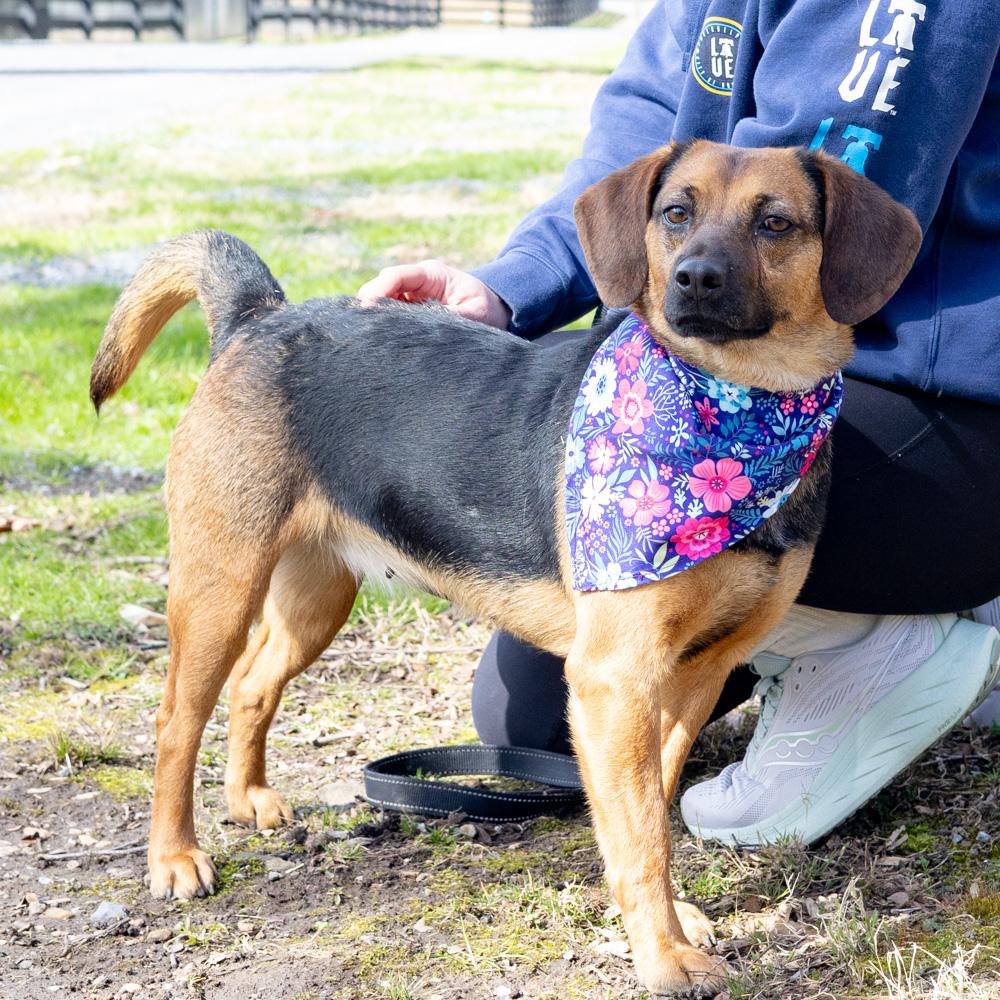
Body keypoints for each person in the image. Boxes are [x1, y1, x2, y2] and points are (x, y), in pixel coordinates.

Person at [359, 0, 1000, 845]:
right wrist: (513, 286)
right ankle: (792, 635)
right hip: (733, 380)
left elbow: (808, 173)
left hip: (928, 396)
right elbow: (647, 137)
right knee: (534, 722)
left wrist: (718, 243)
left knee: (656, 615)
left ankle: (881, 647)